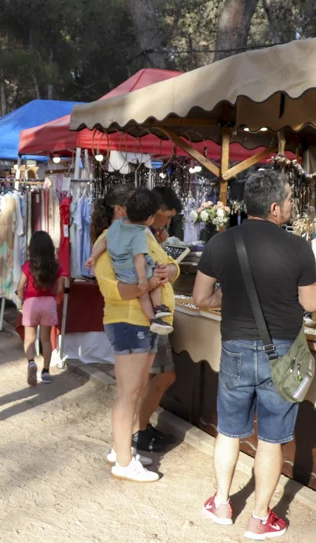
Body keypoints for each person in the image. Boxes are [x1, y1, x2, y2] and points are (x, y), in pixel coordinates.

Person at [193, 169, 316, 539]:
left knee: (229, 431)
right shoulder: (298, 247)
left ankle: (221, 503)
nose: (293, 205)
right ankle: (260, 517)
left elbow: (202, 298)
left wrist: (227, 298)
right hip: (282, 351)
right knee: (271, 439)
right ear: (275, 207)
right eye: (290, 199)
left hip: (234, 346)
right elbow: (311, 301)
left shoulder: (221, 242)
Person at [91, 185, 178, 483]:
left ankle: (122, 449)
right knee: (128, 393)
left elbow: (170, 264)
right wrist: (151, 284)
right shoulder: (110, 238)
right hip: (129, 322)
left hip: (146, 323)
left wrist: (167, 273)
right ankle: (124, 462)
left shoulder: (142, 235)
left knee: (136, 389)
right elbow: (113, 291)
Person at [132, 186, 182, 454]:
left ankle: (141, 426)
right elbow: (153, 274)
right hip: (151, 316)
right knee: (163, 375)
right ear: (157, 211)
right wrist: (166, 271)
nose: (168, 222)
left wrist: (169, 267)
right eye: (168, 216)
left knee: (157, 375)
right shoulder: (140, 236)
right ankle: (138, 431)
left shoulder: (148, 236)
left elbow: (165, 270)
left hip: (155, 314)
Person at [86, 187, 174, 335]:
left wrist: (92, 256)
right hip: (130, 321)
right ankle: (156, 313)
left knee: (148, 290)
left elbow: (168, 262)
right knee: (147, 292)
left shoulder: (121, 229)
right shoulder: (136, 234)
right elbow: (136, 260)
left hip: (137, 319)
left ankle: (155, 316)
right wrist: (147, 281)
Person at [15, 230, 64, 386]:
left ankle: (31, 362)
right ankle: (46, 372)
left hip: (31, 303)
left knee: (29, 338)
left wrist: (22, 300)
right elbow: (59, 290)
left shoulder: (28, 266)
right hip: (48, 303)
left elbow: (20, 286)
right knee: (46, 339)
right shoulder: (56, 267)